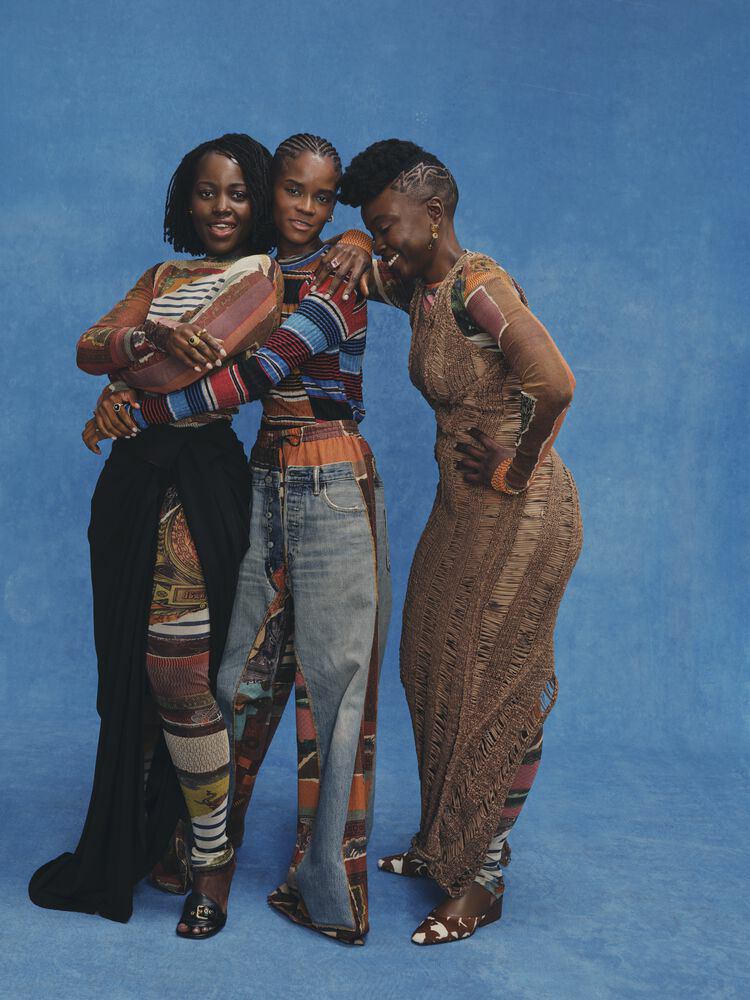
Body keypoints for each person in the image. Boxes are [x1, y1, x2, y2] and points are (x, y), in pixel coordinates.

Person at [114, 134, 391, 944]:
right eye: (294, 190)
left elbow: (253, 374)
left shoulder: (341, 275)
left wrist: (140, 412)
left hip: (332, 479)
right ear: (271, 191)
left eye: (325, 197)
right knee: (234, 678)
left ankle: (329, 893)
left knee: (338, 690)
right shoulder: (253, 274)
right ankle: (197, 851)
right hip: (265, 478)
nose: (308, 207)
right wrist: (124, 386)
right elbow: (172, 352)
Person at [314, 139, 583, 944]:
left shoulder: (479, 288)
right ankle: (446, 842)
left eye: (389, 224)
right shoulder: (423, 286)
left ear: (434, 214)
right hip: (461, 510)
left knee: (495, 687)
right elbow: (368, 274)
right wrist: (356, 237)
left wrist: (516, 465)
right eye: (376, 226)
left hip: (522, 513)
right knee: (430, 666)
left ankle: (483, 876)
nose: (383, 240)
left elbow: (554, 382)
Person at [28, 134, 284, 935]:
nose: (221, 207)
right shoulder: (162, 277)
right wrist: (142, 344)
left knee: (179, 677)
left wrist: (126, 383)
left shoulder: (262, 277)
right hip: (132, 486)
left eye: (238, 192)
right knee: (131, 679)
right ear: (185, 200)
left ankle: (212, 861)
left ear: (260, 200)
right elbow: (88, 346)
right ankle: (150, 836)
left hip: (199, 481)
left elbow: (191, 374)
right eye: (207, 192)